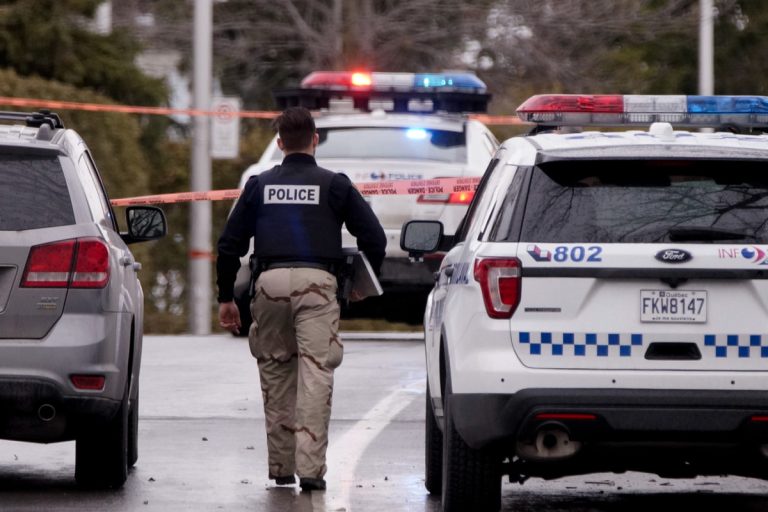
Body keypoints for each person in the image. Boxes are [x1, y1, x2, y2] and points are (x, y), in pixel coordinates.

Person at [216, 106, 386, 492]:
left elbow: (229, 245)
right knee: (315, 373)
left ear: (279, 144)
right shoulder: (335, 185)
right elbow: (373, 237)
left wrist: (226, 297)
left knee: (276, 373)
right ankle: (310, 470)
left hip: (269, 284)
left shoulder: (259, 185)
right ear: (315, 140)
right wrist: (363, 283)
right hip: (318, 285)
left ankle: (281, 467)